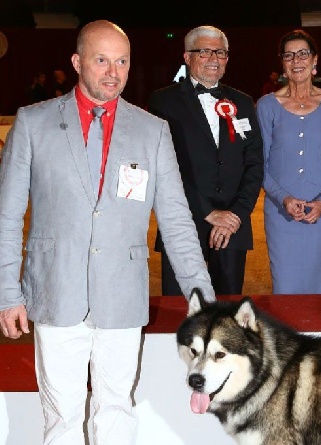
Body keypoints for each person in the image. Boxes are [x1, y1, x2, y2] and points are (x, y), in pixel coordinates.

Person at [0, 20, 215, 444]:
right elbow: (7, 217)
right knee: (61, 417)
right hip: (55, 292)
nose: (113, 72)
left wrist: (202, 300)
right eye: (102, 60)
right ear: (78, 62)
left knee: (116, 409)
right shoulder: (32, 123)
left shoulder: (153, 130)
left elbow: (176, 221)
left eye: (122, 61)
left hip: (121, 296)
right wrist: (8, 293)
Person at [148, 25, 264, 296]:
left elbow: (255, 163)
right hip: (184, 224)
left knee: (227, 313)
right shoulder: (163, 102)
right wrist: (208, 212)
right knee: (181, 312)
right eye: (204, 51)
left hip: (233, 228)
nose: (214, 58)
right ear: (187, 58)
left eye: (220, 52)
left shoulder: (244, 103)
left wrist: (235, 214)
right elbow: (165, 168)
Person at [256, 30, 321, 294]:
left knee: (319, 291)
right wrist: (283, 198)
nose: (297, 60)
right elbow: (259, 165)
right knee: (285, 290)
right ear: (282, 62)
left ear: (314, 60)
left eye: (303, 53)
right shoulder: (266, 106)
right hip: (281, 213)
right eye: (289, 55)